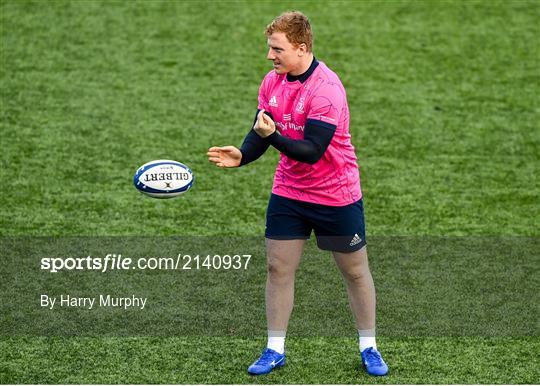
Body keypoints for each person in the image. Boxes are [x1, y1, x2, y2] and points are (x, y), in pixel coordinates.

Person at [207, 11, 388, 377]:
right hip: (290, 193)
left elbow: (311, 150)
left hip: (336, 195)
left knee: (354, 272)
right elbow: (261, 128)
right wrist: (243, 155)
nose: (270, 56)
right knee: (277, 268)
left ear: (301, 48)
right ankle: (275, 348)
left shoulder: (326, 89)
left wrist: (271, 136)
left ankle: (369, 346)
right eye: (270, 48)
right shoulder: (272, 82)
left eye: (277, 49)